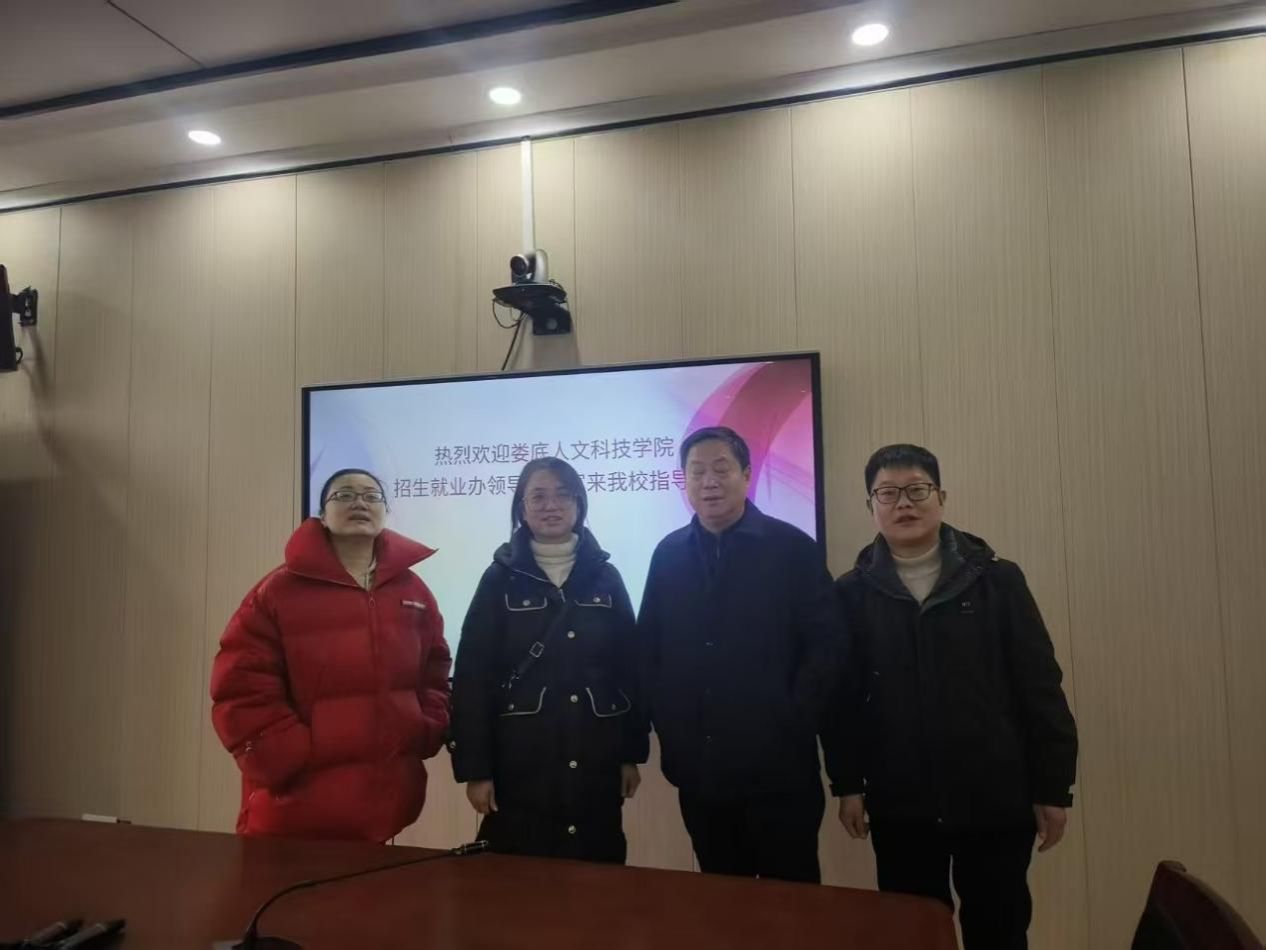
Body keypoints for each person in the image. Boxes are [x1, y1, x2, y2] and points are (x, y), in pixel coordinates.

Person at [824, 444, 1078, 950]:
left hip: (994, 797)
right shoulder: (851, 594)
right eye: (888, 493)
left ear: (941, 497)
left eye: (917, 490)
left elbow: (1040, 687)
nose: (904, 503)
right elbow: (842, 701)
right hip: (901, 801)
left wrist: (1054, 787)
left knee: (999, 929)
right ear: (871, 505)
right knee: (912, 932)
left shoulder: (997, 581)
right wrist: (847, 783)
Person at [637, 426, 844, 883]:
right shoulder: (668, 554)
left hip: (780, 770)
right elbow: (649, 649)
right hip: (700, 771)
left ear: (747, 475)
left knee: (790, 903)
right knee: (722, 900)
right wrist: (667, 720)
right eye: (696, 472)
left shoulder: (791, 548)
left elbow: (826, 647)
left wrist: (792, 715)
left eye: (721, 469)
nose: (708, 482)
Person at [210, 468, 451, 841]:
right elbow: (240, 685)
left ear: (385, 512)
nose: (359, 503)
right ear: (322, 515)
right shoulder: (278, 591)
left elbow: (434, 672)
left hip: (386, 800)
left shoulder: (414, 591)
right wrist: (287, 754)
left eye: (371, 496)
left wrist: (424, 726)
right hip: (297, 804)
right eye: (344, 495)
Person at [449, 457, 646, 863]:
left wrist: (631, 754)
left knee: (598, 870)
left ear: (579, 504)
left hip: (597, 754)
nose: (551, 505)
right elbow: (472, 677)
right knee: (522, 876)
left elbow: (631, 669)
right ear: (522, 508)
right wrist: (476, 770)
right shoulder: (499, 579)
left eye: (562, 495)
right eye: (538, 496)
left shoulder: (606, 577)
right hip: (521, 759)